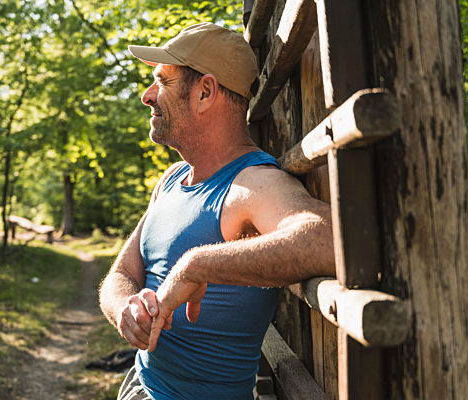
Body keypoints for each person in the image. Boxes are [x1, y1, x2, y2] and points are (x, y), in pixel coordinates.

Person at [99, 22, 335, 400]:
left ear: (205, 92)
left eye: (162, 81)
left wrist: (199, 265)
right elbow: (123, 272)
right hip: (140, 385)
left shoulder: (253, 185)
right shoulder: (173, 179)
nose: (147, 95)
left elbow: (328, 239)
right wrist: (125, 307)